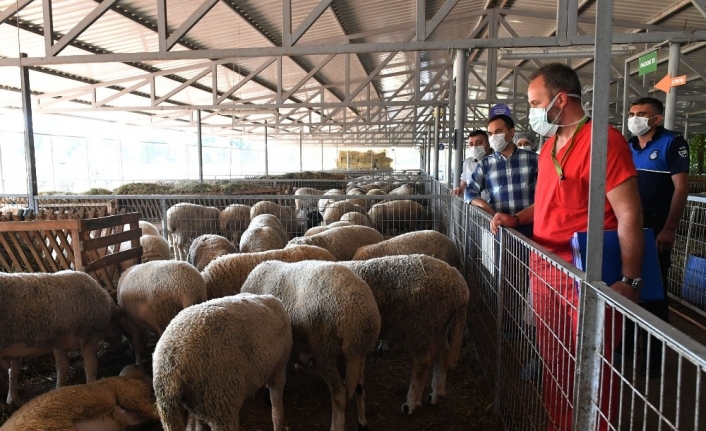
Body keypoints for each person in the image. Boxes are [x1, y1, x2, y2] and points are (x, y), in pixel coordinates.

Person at [490, 63, 644, 431]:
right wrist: (516, 218)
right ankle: (559, 423)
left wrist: (630, 279)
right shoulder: (548, 148)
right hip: (546, 268)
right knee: (555, 360)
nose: (531, 112)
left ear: (560, 100)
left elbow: (629, 214)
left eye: (535, 103)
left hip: (586, 273)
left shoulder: (602, 142)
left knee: (591, 364)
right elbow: (547, 203)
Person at [624, 96, 689, 377]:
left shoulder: (672, 142)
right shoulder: (627, 145)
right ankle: (624, 347)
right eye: (632, 113)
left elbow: (681, 188)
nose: (635, 118)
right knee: (626, 287)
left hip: (656, 228)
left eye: (641, 114)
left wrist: (670, 227)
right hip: (627, 227)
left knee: (654, 293)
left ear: (657, 119)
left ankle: (653, 359)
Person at [464, 114, 538, 238]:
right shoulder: (485, 164)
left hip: (529, 228)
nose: (493, 137)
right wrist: (487, 208)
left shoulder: (533, 160)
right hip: (498, 229)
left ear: (511, 132)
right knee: (499, 257)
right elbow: (469, 191)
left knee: (529, 257)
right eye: (490, 133)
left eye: (498, 132)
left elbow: (545, 195)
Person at [450, 130, 491, 201]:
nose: (474, 147)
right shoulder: (468, 162)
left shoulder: (499, 160)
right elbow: (464, 183)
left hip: (495, 208)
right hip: (473, 207)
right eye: (471, 144)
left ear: (488, 143)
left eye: (479, 143)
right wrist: (460, 188)